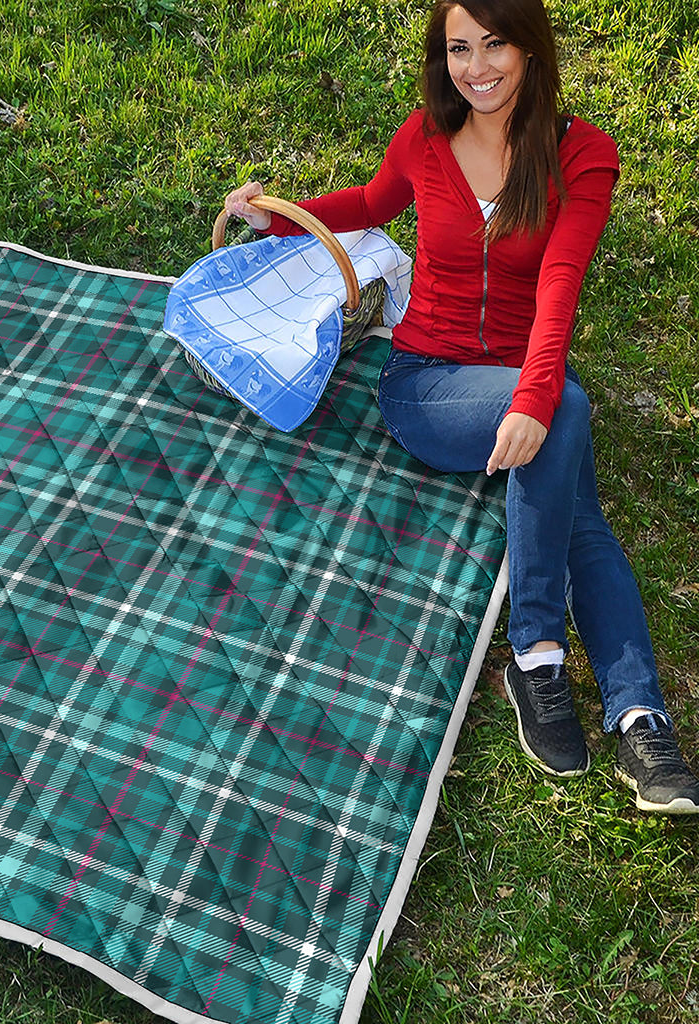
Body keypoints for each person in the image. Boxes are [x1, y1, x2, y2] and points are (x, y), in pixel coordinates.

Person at [224, 0, 699, 814]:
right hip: (426, 384)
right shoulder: (425, 137)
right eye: (458, 48)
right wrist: (278, 221)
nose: (476, 67)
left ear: (530, 48)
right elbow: (371, 204)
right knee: (568, 418)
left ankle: (634, 713)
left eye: (495, 45)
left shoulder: (582, 156)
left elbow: (560, 284)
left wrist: (535, 396)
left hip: (519, 376)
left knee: (573, 478)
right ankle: (543, 654)